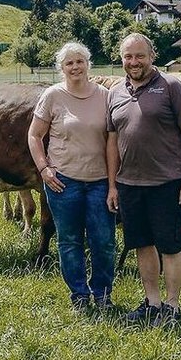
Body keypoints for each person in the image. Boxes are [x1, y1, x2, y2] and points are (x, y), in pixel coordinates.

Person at [105, 33, 181, 327]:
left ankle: (172, 307)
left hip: (167, 183)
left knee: (170, 247)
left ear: (152, 56)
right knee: (142, 244)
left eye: (140, 56)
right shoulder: (115, 92)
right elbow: (112, 142)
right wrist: (113, 185)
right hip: (130, 185)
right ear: (121, 59)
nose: (134, 62)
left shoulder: (172, 87)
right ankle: (152, 303)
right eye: (128, 56)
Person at [28, 42, 116, 312]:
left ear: (88, 64)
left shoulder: (104, 96)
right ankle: (79, 295)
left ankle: (102, 294)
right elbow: (34, 135)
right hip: (64, 182)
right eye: (69, 63)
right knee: (69, 241)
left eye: (80, 61)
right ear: (62, 68)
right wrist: (44, 168)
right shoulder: (53, 96)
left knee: (104, 241)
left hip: (100, 181)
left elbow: (112, 142)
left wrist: (113, 183)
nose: (75, 67)